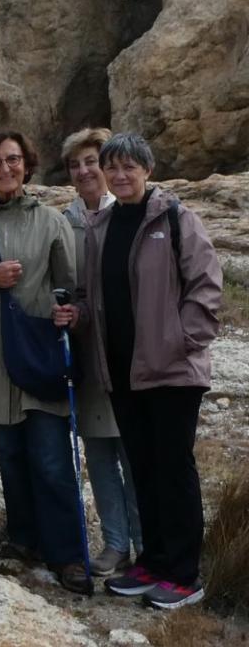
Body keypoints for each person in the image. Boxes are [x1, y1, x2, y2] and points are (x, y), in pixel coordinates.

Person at [56, 133, 221, 610]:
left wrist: (181, 342)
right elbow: (92, 297)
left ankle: (185, 575)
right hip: (122, 371)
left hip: (172, 371)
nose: (121, 175)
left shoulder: (175, 218)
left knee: (173, 469)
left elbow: (207, 287)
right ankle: (152, 561)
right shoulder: (102, 225)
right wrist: (78, 317)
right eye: (114, 167)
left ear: (148, 170)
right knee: (144, 469)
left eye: (130, 166)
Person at [0, 129, 90, 594]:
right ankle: (24, 536)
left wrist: (67, 310)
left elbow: (69, 286)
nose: (5, 169)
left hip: (39, 355)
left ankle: (68, 554)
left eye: (13, 160)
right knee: (9, 455)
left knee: (50, 459)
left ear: (26, 165)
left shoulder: (52, 222)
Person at [59, 127, 142, 577]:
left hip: (128, 353)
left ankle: (145, 540)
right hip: (87, 353)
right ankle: (114, 543)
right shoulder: (65, 220)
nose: (84, 171)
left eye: (92, 161)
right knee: (99, 453)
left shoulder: (130, 215)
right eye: (75, 165)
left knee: (133, 451)